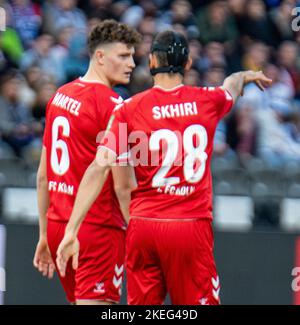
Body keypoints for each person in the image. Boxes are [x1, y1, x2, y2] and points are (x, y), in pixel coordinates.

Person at [56, 30, 272, 305]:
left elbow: (99, 167)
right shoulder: (208, 101)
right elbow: (230, 85)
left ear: (152, 62)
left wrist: (72, 230)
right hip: (189, 226)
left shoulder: (128, 109)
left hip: (143, 226)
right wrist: (246, 76)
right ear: (188, 65)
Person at [33, 19, 141, 305]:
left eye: (132, 56)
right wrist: (139, 236)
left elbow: (43, 176)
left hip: (58, 226)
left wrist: (44, 234)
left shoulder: (59, 96)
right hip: (97, 229)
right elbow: (123, 185)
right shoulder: (114, 106)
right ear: (100, 56)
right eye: (124, 55)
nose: (131, 63)